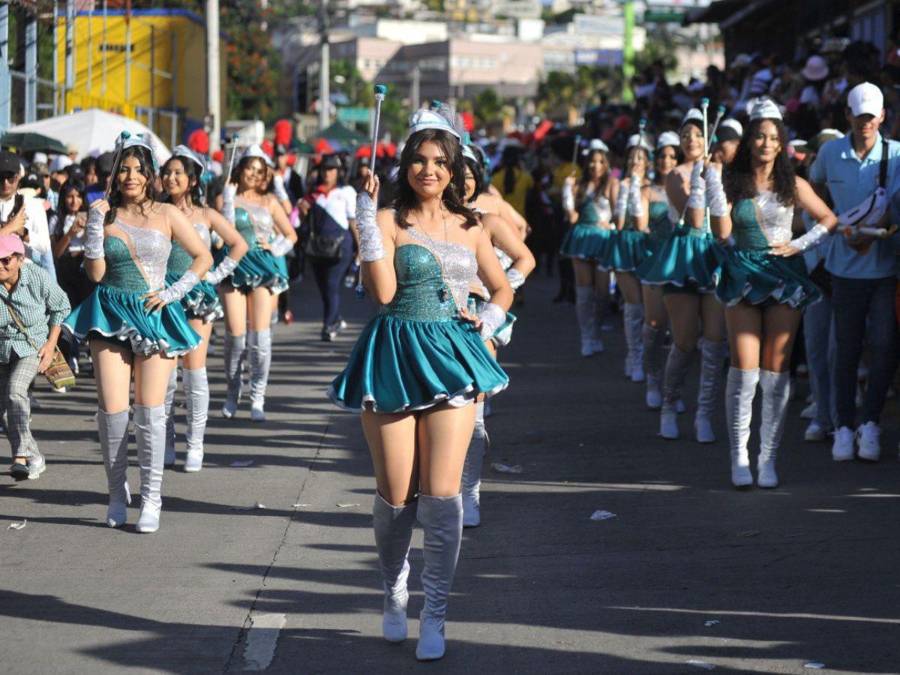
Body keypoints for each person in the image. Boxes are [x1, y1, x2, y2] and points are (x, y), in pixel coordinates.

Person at [329, 105, 512, 661]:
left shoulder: (471, 225)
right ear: (405, 164)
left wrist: (488, 322)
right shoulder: (388, 220)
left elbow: (502, 288)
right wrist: (367, 222)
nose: (428, 170)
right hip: (394, 354)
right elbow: (383, 293)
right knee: (395, 496)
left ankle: (435, 613)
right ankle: (393, 588)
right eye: (419, 160)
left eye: (439, 161)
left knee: (442, 496)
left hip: (452, 357)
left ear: (454, 168)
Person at [64, 134, 212, 533]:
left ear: (149, 175)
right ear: (115, 175)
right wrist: (94, 227)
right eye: (124, 169)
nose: (131, 176)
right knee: (113, 413)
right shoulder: (105, 214)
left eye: (138, 169)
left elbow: (203, 256)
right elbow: (96, 274)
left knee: (149, 411)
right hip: (109, 314)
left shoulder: (167, 213)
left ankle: (151, 499)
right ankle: (116, 495)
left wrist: (173, 293)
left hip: (154, 315)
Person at [710, 98, 837, 488]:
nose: (766, 143)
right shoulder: (732, 182)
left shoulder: (793, 183)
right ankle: (739, 457)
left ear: (782, 143)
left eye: (773, 137)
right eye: (760, 136)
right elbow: (722, 234)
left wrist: (800, 244)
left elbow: (829, 219)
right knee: (744, 369)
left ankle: (767, 459)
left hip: (784, 275)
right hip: (744, 273)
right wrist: (713, 189)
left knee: (776, 371)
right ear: (749, 140)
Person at [809, 81, 900, 462]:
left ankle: (870, 423)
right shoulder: (830, 152)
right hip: (844, 269)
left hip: (885, 269)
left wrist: (881, 226)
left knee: (884, 348)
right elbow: (813, 188)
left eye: (871, 116)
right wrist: (830, 224)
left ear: (882, 116)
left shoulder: (897, 154)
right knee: (845, 351)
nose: (865, 123)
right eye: (859, 115)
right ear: (847, 115)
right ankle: (844, 426)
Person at [460, 143, 535, 527]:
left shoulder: (486, 219)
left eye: (469, 176)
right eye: (456, 174)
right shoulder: (421, 220)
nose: (462, 183)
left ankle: (468, 493)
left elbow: (526, 257)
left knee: (473, 411)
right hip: (428, 320)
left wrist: (496, 303)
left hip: (476, 319)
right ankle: (439, 489)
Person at [160, 146, 248, 472]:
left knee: (193, 369)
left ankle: (195, 443)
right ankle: (166, 441)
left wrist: (215, 275)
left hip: (197, 294)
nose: (170, 178)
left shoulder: (207, 214)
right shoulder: (155, 211)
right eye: (167, 173)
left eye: (177, 173)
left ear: (193, 179)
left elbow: (239, 244)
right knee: (164, 373)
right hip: (163, 294)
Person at [641, 110, 726, 443]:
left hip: (714, 257)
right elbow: (694, 219)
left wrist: (716, 176)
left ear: (708, 138)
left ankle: (704, 414)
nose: (692, 139)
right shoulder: (676, 175)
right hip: (685, 258)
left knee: (715, 341)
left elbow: (727, 217)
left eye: (698, 134)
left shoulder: (721, 171)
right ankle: (669, 403)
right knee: (685, 341)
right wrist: (703, 180)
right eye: (686, 135)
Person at [218, 145, 297, 422]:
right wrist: (228, 200)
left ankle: (257, 396)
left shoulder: (270, 201)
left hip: (263, 269)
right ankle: (232, 393)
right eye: (249, 168)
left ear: (264, 175)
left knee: (259, 339)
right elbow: (222, 234)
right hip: (233, 268)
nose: (253, 174)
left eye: (259, 170)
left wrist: (275, 247)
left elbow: (291, 235)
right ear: (240, 169)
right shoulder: (225, 197)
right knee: (235, 337)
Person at [0, 235, 70, 480]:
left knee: (15, 391)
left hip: (32, 346)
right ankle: (34, 456)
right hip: (2, 349)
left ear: (20, 259)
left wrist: (51, 345)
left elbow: (61, 306)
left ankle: (19, 456)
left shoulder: (36, 276)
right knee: (4, 412)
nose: (0, 265)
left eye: (5, 260)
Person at [560, 140, 619, 357]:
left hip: (603, 240)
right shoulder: (578, 184)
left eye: (600, 162)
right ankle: (586, 337)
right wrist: (567, 193)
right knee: (584, 291)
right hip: (582, 237)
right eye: (592, 161)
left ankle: (596, 332)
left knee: (603, 293)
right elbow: (572, 218)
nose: (596, 166)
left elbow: (618, 214)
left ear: (606, 163)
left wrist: (610, 225)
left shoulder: (612, 183)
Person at [603, 133, 653, 382]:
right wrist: (629, 188)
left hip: (648, 248)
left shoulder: (654, 186)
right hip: (625, 245)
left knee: (649, 308)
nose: (636, 162)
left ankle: (648, 356)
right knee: (634, 306)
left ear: (648, 162)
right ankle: (635, 357)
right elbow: (620, 222)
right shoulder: (621, 184)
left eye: (640, 158)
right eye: (632, 158)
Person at [637, 131, 679, 408]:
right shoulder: (646, 191)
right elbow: (641, 225)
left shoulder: (689, 187)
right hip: (654, 260)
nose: (667, 161)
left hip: (680, 261)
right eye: (662, 155)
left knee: (680, 331)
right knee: (654, 324)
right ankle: (653, 379)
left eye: (672, 156)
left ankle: (672, 389)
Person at [299, 154, 357, 341]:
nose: (327, 173)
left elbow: (353, 222)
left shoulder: (346, 191)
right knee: (324, 288)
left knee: (331, 285)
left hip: (341, 247)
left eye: (332, 169)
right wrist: (302, 209)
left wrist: (360, 249)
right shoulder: (313, 193)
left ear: (339, 172)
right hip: (317, 248)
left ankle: (329, 325)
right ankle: (336, 318)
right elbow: (302, 221)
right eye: (324, 169)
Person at [49, 181, 94, 373]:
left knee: (89, 313)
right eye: (69, 196)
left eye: (78, 196)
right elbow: (56, 253)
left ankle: (92, 355)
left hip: (87, 268)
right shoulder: (56, 219)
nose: (74, 201)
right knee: (67, 314)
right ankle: (70, 355)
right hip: (65, 269)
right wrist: (70, 234)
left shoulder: (91, 216)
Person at [0, 151, 54, 277]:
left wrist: (24, 233)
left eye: (10, 177)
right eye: (0, 177)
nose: (5, 182)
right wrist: (10, 228)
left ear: (18, 176)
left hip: (25, 273)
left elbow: (45, 246)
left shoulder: (33, 205)